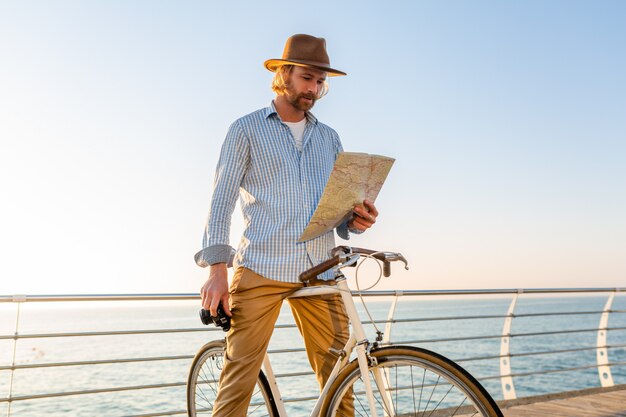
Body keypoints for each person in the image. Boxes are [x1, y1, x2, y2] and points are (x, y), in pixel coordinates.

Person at [194, 34, 378, 416]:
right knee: (239, 380)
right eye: (308, 78)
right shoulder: (245, 129)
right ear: (284, 74)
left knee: (339, 381)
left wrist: (357, 220)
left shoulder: (329, 138)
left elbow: (337, 213)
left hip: (320, 271)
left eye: (320, 82)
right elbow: (221, 200)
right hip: (262, 267)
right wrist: (216, 270)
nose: (314, 88)